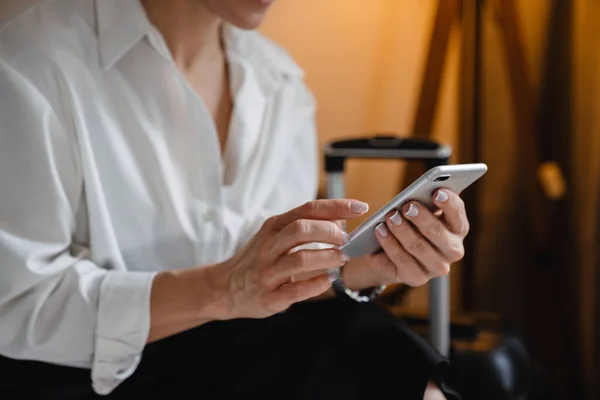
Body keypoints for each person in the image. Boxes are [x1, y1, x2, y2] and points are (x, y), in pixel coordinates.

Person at [0, 0, 469, 399]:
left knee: (376, 349)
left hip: (227, 359)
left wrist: (352, 271)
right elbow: (17, 305)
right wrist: (220, 290)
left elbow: (261, 284)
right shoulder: (31, 65)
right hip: (73, 379)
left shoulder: (280, 85)